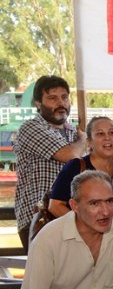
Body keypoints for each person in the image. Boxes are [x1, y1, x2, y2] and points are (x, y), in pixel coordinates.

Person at [14, 75, 86, 251]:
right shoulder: (31, 128)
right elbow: (70, 156)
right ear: (38, 103)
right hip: (40, 218)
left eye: (64, 97)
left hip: (69, 216)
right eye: (52, 98)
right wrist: (84, 139)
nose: (60, 103)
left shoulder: (72, 132)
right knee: (47, 278)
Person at [48, 117, 113, 218]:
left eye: (111, 133)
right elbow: (55, 206)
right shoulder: (75, 167)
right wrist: (84, 226)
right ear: (89, 141)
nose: (107, 137)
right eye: (100, 134)